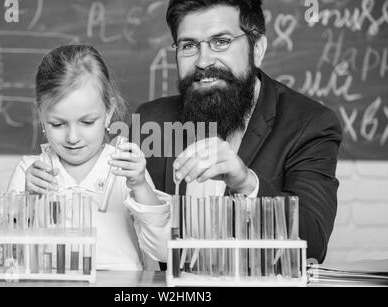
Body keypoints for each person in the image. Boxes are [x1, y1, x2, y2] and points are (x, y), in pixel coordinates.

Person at [136, 0, 342, 263]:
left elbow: (313, 243)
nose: (203, 61)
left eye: (220, 42)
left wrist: (246, 183)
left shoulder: (311, 124)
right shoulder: (151, 121)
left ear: (257, 49)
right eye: (189, 46)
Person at [7, 44, 170, 271]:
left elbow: (162, 250)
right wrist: (28, 201)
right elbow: (6, 254)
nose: (73, 137)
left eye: (86, 122)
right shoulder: (31, 172)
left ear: (109, 112)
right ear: (40, 115)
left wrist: (140, 185)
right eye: (57, 124)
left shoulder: (125, 170)